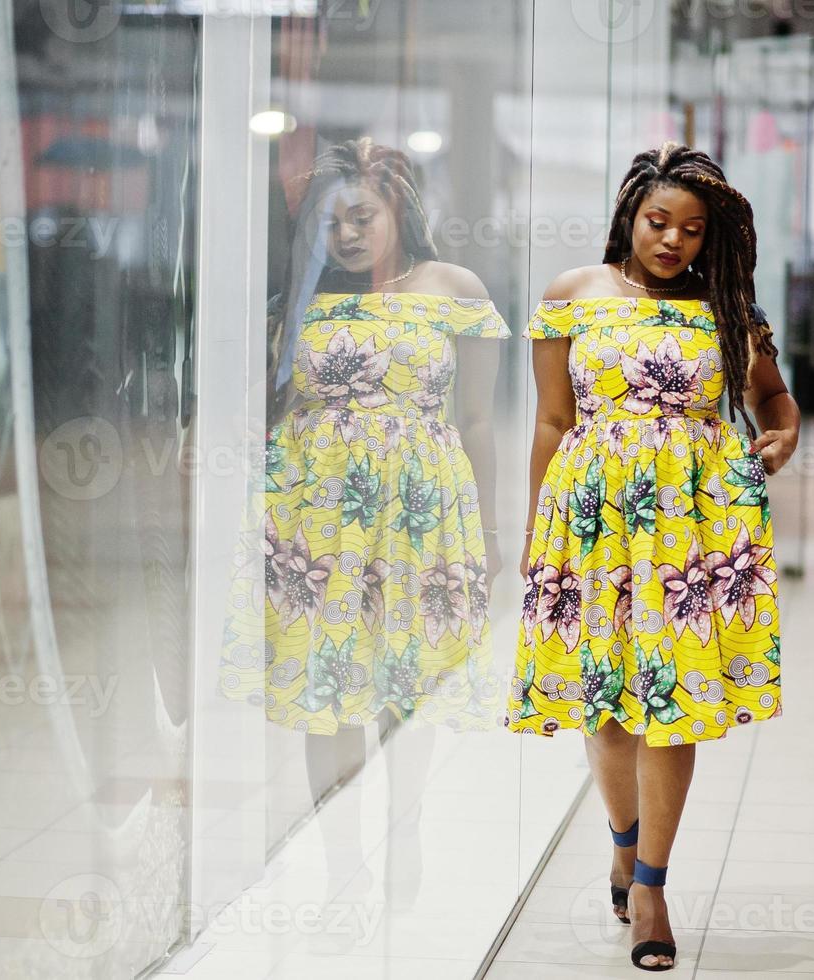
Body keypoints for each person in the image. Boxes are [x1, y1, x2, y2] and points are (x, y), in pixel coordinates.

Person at [508, 142, 799, 971]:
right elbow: (552, 422)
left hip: (692, 528)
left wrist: (780, 438)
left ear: (712, 239)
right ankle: (622, 842)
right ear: (629, 217)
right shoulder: (573, 296)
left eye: (691, 230)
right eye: (657, 222)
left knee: (671, 704)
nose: (671, 241)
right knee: (607, 707)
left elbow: (771, 397)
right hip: (593, 523)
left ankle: (651, 888)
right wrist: (538, 534)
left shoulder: (726, 310)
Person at [219, 137, 509, 905]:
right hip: (318, 519)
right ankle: (340, 856)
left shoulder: (453, 286)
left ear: (398, 213)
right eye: (330, 222)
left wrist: (487, 533)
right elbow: (266, 410)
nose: (345, 234)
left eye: (360, 216)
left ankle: (404, 827)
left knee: (407, 686)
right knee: (329, 686)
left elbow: (477, 420)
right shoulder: (297, 301)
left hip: (423, 516)